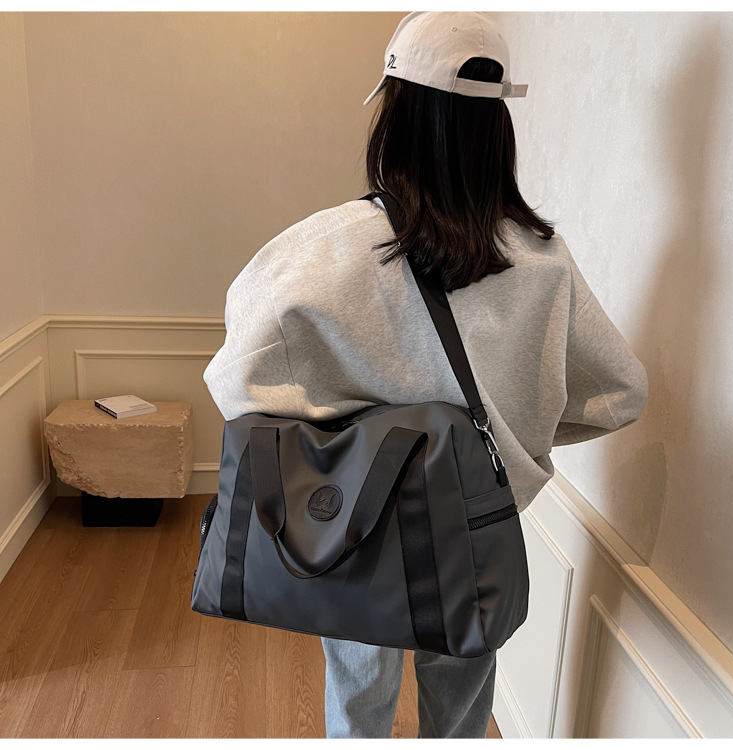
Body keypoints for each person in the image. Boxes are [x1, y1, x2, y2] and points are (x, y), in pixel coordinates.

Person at [203, 11, 648, 740]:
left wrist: (350, 429)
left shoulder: (320, 253)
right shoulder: (541, 260)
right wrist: (513, 436)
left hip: (356, 527)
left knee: (359, 693)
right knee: (464, 704)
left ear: (395, 112)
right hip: (475, 524)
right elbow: (620, 392)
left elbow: (237, 386)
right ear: (497, 127)